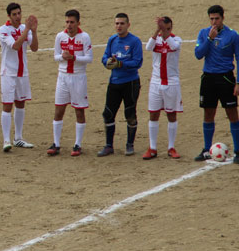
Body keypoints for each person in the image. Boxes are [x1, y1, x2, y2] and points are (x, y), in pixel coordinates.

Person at [194, 5, 239, 163]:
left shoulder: (233, 35)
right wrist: (209, 39)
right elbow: (198, 54)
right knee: (208, 113)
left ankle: (237, 151)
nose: (214, 22)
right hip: (208, 78)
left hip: (225, 79)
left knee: (232, 113)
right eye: (211, 19)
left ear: (223, 18)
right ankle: (206, 149)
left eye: (217, 18)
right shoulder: (204, 33)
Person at [48, 10, 93, 157]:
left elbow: (89, 58)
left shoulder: (84, 37)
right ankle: (56, 143)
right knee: (59, 110)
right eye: (67, 22)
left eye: (72, 22)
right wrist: (63, 56)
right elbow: (55, 56)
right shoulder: (60, 37)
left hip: (78, 77)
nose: (69, 25)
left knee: (79, 110)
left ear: (78, 23)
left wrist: (73, 57)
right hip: (63, 76)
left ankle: (78, 144)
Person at [98, 13, 143, 157]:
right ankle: (109, 145)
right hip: (114, 82)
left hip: (130, 83)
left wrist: (120, 63)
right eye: (117, 23)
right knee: (108, 113)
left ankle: (130, 144)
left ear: (128, 25)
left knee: (130, 114)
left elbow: (137, 62)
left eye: (122, 23)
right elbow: (104, 57)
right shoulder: (112, 40)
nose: (119, 26)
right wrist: (107, 62)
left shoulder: (135, 41)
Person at [0, 3, 39, 152]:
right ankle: (6, 140)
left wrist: (33, 32)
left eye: (19, 13)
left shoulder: (23, 29)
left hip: (22, 72)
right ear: (9, 16)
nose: (18, 16)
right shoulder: (3, 30)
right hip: (8, 73)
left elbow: (34, 48)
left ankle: (18, 138)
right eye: (14, 14)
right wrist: (27, 29)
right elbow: (15, 46)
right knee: (7, 105)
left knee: (21, 104)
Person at [143, 16, 183, 160]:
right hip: (156, 82)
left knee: (171, 115)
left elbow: (173, 47)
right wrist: (157, 31)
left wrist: (164, 32)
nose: (167, 30)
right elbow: (148, 47)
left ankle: (171, 147)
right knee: (153, 114)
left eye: (168, 27)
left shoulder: (176, 39)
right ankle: (152, 147)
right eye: (165, 27)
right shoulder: (156, 39)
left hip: (171, 82)